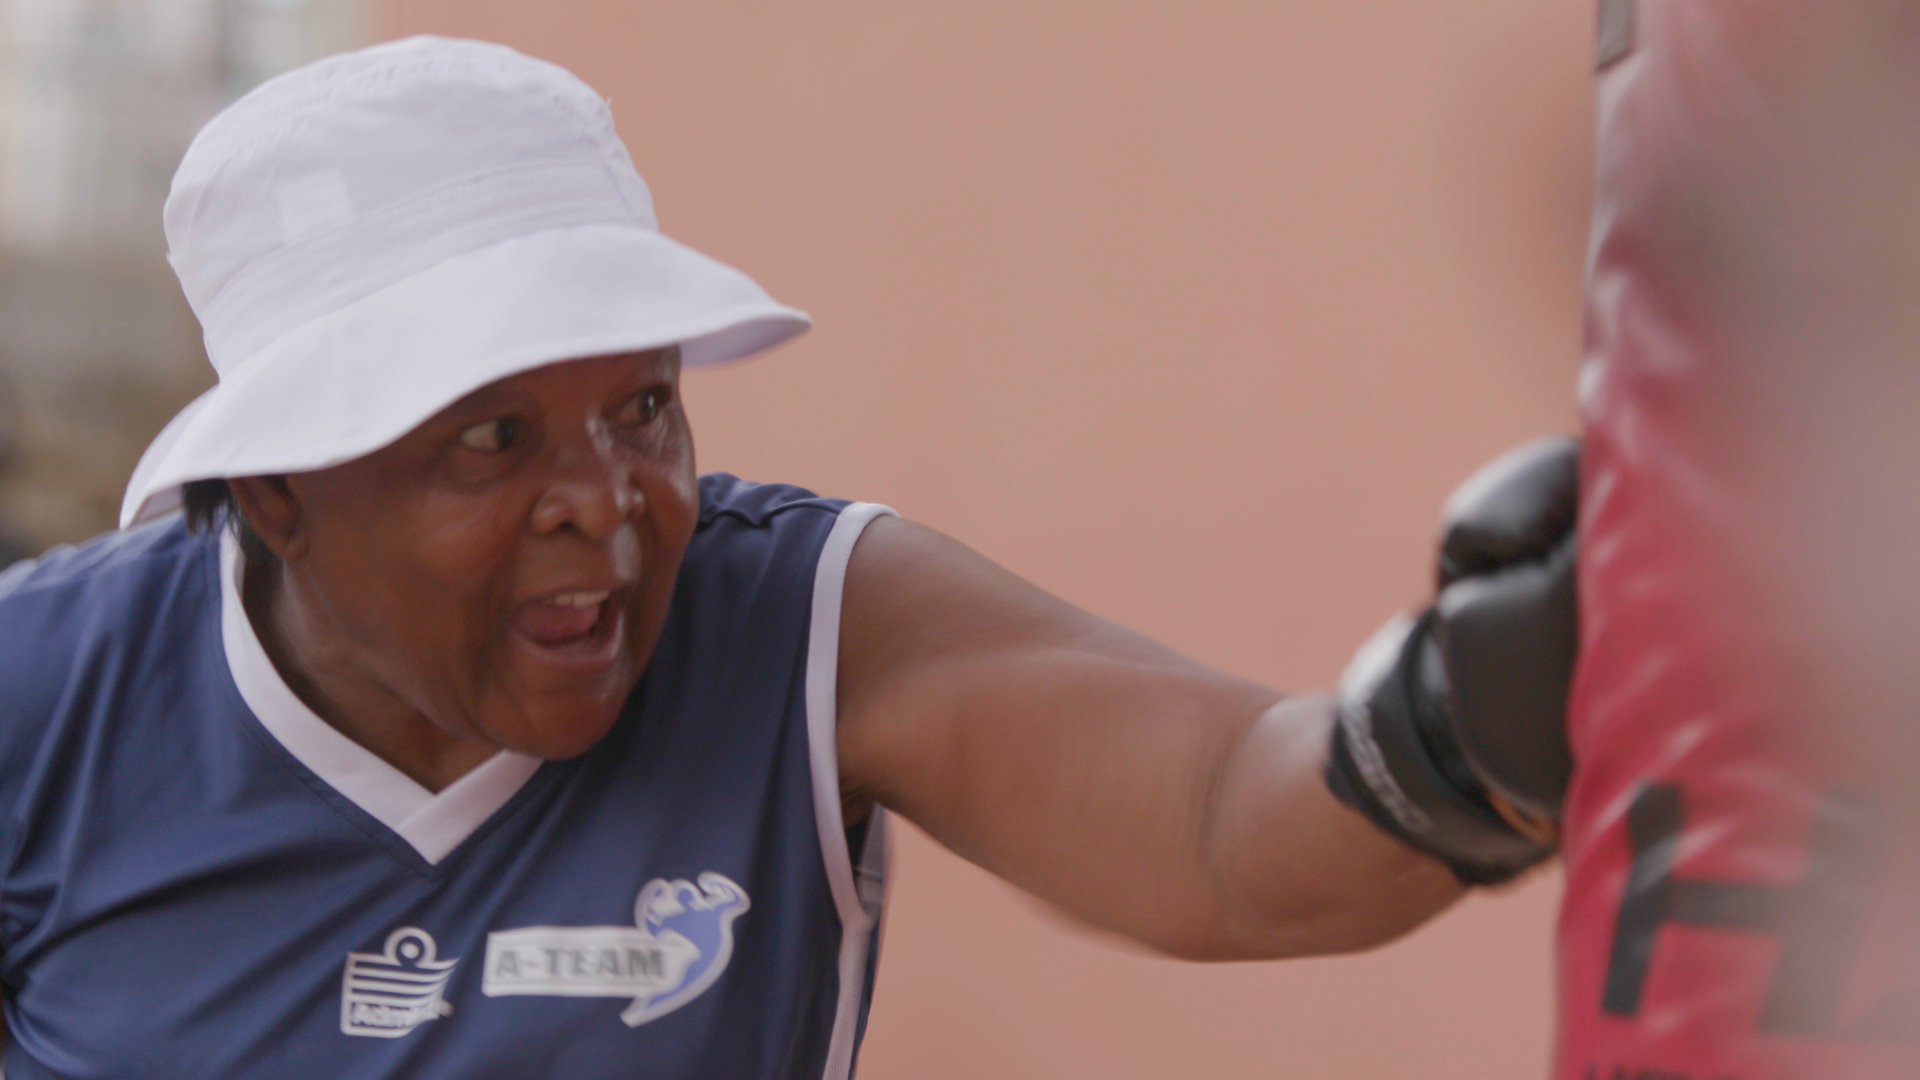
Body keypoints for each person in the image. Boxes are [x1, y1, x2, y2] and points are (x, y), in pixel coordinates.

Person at [0, 37, 1577, 1078]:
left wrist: (1456, 727)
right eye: (491, 436)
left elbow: (1225, 818)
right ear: (274, 488)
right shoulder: (48, 699)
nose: (604, 500)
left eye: (642, 404)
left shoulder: (799, 621)